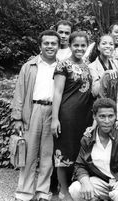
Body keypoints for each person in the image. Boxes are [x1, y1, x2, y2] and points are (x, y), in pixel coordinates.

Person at [11, 30, 59, 201]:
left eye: (53, 43)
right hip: (33, 111)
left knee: (47, 155)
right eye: (46, 43)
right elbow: (20, 92)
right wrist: (17, 117)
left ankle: (42, 193)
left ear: (58, 46)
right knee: (29, 154)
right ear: (40, 46)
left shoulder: (62, 66)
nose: (50, 46)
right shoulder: (29, 66)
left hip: (53, 112)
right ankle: (24, 193)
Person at [69, 98, 118, 201]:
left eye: (110, 116)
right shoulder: (87, 139)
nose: (107, 121)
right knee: (76, 189)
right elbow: (80, 165)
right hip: (100, 180)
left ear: (115, 116)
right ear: (94, 116)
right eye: (102, 116)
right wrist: (85, 181)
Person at [51, 31, 94, 201]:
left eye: (83, 45)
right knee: (64, 152)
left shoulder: (87, 65)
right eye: (76, 45)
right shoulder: (63, 65)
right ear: (70, 45)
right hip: (67, 115)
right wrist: (55, 118)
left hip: (85, 116)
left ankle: (74, 186)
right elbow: (57, 92)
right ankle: (63, 190)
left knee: (79, 151)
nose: (80, 48)